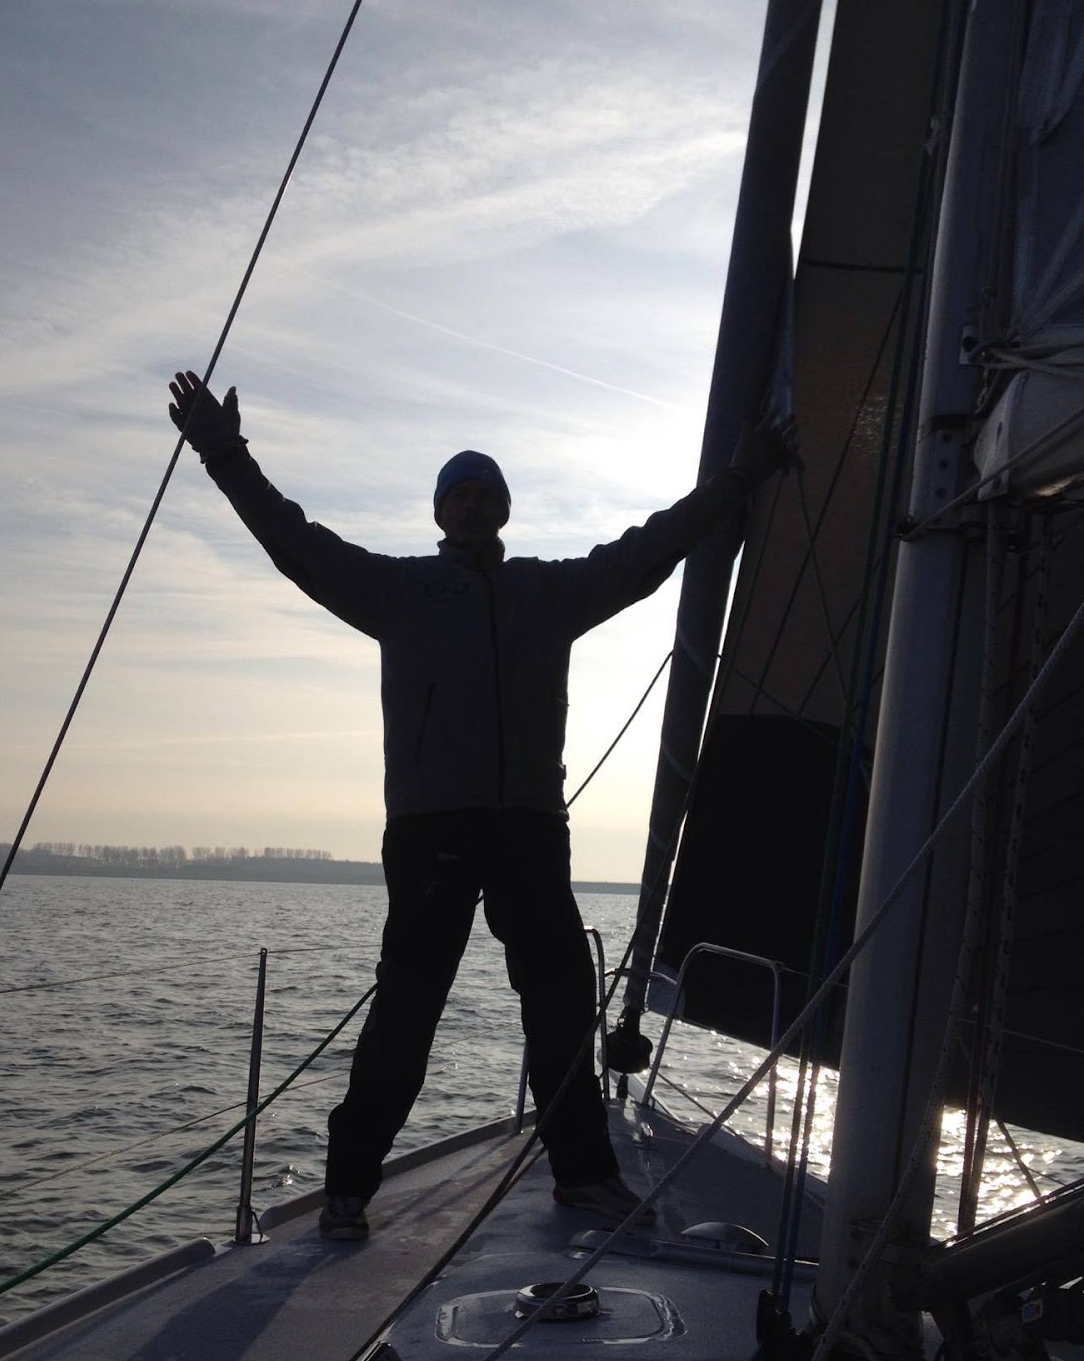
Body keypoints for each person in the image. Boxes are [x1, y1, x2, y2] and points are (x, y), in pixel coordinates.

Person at [168, 370, 790, 1240]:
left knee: (562, 1005)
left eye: (484, 493)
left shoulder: (548, 592)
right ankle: (347, 1189)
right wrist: (222, 450)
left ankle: (584, 1176)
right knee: (408, 1009)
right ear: (439, 512)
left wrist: (740, 477)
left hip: (530, 828)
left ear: (502, 510)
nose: (471, 504)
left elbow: (647, 552)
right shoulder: (397, 592)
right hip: (432, 831)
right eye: (458, 493)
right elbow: (293, 541)